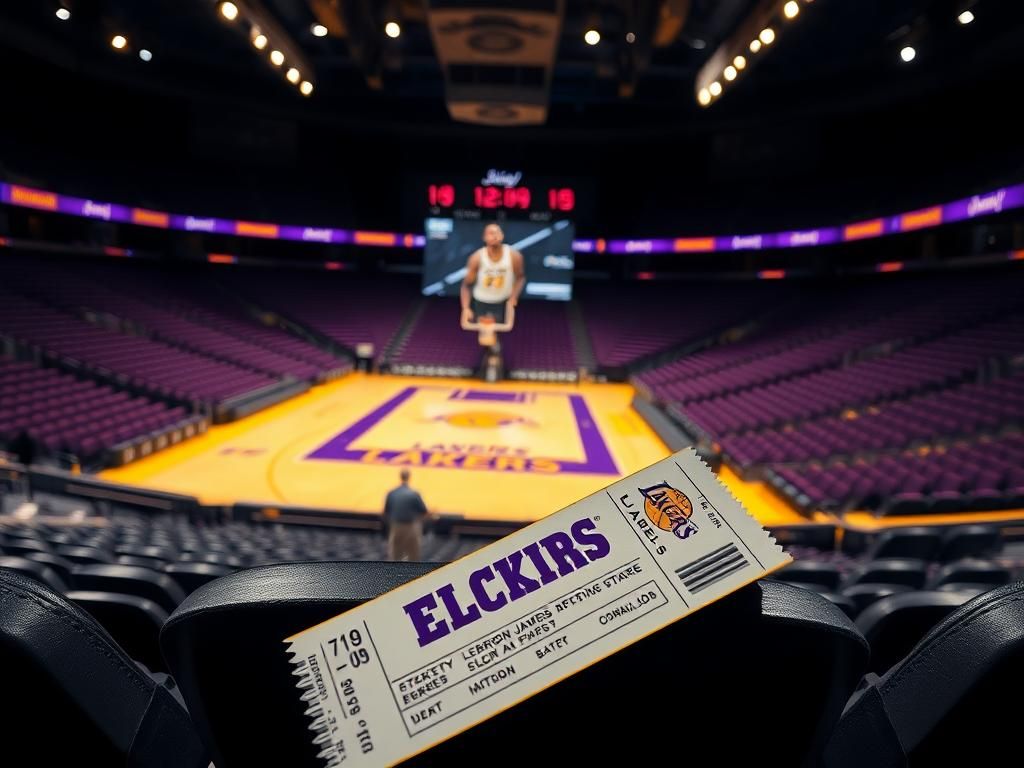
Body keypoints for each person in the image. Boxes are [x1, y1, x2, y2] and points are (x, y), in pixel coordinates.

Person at [460, 222, 526, 329]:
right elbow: (466, 285)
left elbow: (520, 278)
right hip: (481, 301)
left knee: (500, 331)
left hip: (503, 300)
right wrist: (466, 308)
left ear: (502, 235)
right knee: (485, 334)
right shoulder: (476, 258)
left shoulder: (514, 256)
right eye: (490, 233)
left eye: (497, 232)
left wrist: (514, 297)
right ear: (484, 237)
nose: (494, 235)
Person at [382, 468, 429, 561]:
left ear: (400, 477)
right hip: (411, 527)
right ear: (409, 477)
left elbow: (386, 512)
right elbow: (423, 511)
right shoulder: (414, 494)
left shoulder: (392, 493)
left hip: (396, 526)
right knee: (413, 556)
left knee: (395, 556)